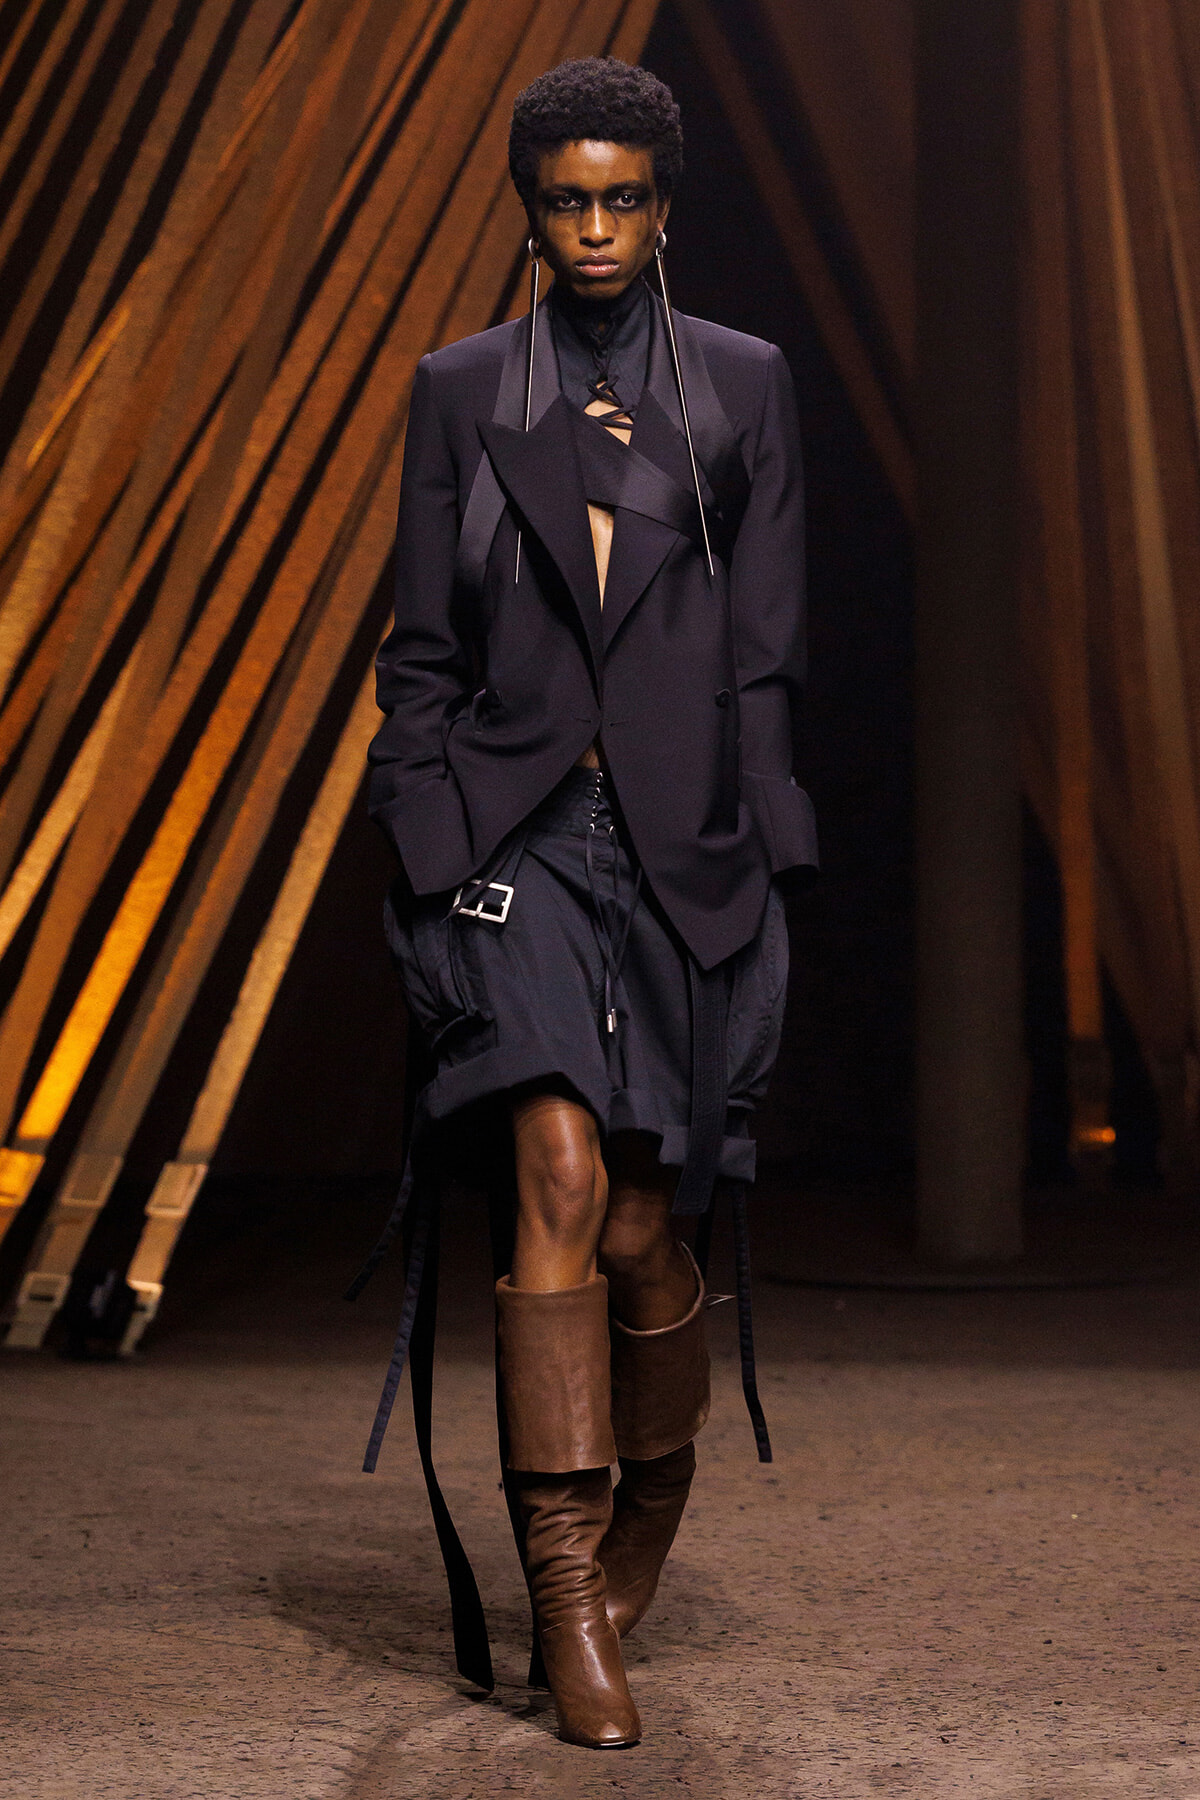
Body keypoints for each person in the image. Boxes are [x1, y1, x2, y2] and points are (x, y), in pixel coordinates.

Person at [363, 55, 815, 1749]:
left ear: (665, 205)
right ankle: (564, 1592)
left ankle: (654, 1504)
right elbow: (422, 646)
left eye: (625, 196)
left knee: (640, 1224)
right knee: (552, 1169)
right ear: (530, 209)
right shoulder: (464, 387)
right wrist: (426, 838)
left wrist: (769, 854)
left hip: (689, 844)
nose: (599, 224)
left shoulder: (748, 386)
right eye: (569, 198)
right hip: (517, 838)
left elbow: (769, 653)